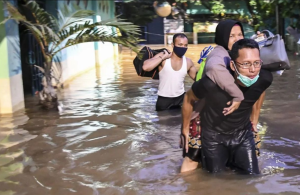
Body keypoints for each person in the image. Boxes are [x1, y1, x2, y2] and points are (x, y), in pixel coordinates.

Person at [181, 38, 273, 174]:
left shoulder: (264, 78)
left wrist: (254, 119)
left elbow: (260, 91)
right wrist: (185, 129)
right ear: (232, 65)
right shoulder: (211, 84)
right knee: (215, 181)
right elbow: (188, 98)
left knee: (252, 178)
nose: (253, 70)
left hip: (243, 134)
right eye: (246, 64)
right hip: (214, 137)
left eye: (256, 63)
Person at [143, 33, 197, 111]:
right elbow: (145, 67)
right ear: (172, 45)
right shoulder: (164, 57)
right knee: (163, 122)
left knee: (181, 122)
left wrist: (205, 64)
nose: (183, 47)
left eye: (185, 45)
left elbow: (198, 79)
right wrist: (162, 57)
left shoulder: (188, 62)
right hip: (164, 100)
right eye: (180, 44)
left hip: (181, 99)